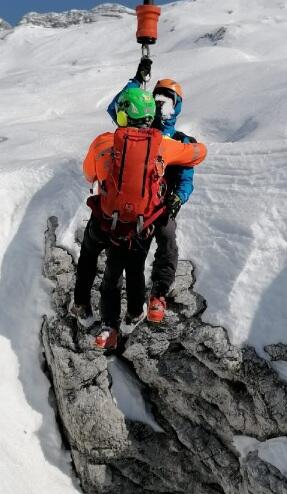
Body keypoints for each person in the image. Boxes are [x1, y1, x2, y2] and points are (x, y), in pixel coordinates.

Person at [74, 86, 207, 351]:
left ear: (122, 116)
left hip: (105, 220)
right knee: (129, 268)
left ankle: (84, 306)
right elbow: (198, 154)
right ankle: (134, 312)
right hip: (137, 225)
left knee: (90, 257)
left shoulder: (103, 141)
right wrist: (189, 144)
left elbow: (89, 174)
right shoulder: (163, 145)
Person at [106, 61, 198, 323]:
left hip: (163, 203)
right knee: (134, 251)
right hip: (138, 203)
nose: (160, 106)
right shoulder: (140, 126)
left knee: (167, 239)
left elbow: (186, 177)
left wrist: (179, 198)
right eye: (157, 99)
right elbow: (117, 108)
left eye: (167, 101)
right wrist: (136, 80)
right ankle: (124, 310)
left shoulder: (181, 141)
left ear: (176, 105)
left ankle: (158, 293)